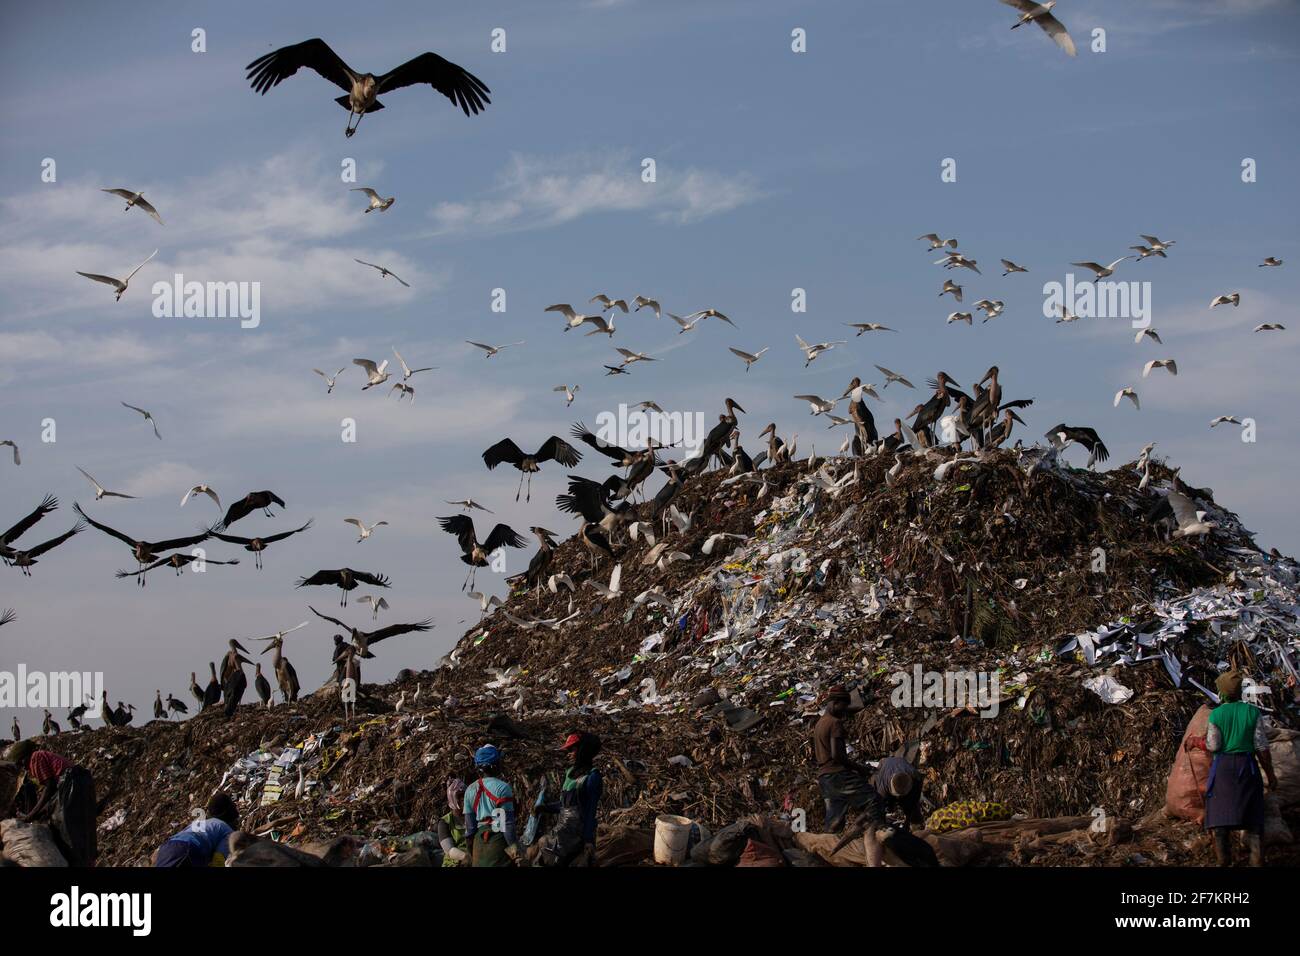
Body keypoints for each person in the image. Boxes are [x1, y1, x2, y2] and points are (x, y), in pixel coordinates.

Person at [1192, 669, 1278, 866]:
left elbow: (1214, 746)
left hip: (1222, 769)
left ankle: (1224, 860)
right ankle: (1257, 860)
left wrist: (1197, 742)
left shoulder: (1217, 715)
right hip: (1247, 768)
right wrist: (1270, 774)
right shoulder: (1252, 712)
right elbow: (1262, 747)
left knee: (1220, 819)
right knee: (1254, 817)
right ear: (1240, 691)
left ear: (1221, 692)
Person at [813, 685, 886, 866]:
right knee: (874, 801)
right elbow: (838, 755)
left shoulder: (820, 723)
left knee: (834, 822)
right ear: (835, 703)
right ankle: (879, 847)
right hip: (838, 775)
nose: (845, 711)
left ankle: (824, 857)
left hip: (825, 778)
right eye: (843, 706)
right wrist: (861, 769)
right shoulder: (835, 723)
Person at [7, 740, 98, 866]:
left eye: (21, 762)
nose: (23, 766)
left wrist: (31, 815)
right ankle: (86, 861)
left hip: (73, 785)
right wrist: (40, 812)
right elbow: (54, 795)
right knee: (82, 830)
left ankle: (80, 862)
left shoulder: (36, 757)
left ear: (26, 756)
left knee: (69, 832)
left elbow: (49, 787)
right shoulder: (42, 757)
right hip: (81, 783)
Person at [536, 732, 603, 867]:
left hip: (578, 833)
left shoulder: (592, 777)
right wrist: (545, 807)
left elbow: (590, 811)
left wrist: (588, 840)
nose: (568, 754)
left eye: (572, 750)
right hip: (562, 829)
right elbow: (564, 805)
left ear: (583, 750)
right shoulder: (569, 773)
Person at [463, 744, 517, 866]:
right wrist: (516, 853)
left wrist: (470, 853)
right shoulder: (503, 788)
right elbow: (507, 825)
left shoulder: (470, 789)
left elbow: (470, 828)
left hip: (478, 844)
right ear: (496, 764)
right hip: (497, 843)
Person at [154, 793, 240, 867]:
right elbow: (218, 860)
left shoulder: (202, 823)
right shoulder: (226, 830)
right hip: (187, 850)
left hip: (165, 849)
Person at [871, 755, 925, 830]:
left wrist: (909, 815)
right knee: (884, 807)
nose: (899, 797)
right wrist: (886, 814)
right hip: (886, 765)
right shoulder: (881, 787)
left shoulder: (915, 777)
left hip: (901, 764)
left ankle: (917, 825)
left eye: (902, 795)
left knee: (912, 806)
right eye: (898, 796)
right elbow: (879, 808)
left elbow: (915, 799)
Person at [437, 778, 469, 866]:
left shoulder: (474, 815)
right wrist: (467, 857)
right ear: (452, 799)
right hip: (455, 862)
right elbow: (449, 850)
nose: (463, 799)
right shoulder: (444, 822)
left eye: (464, 796)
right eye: (459, 796)